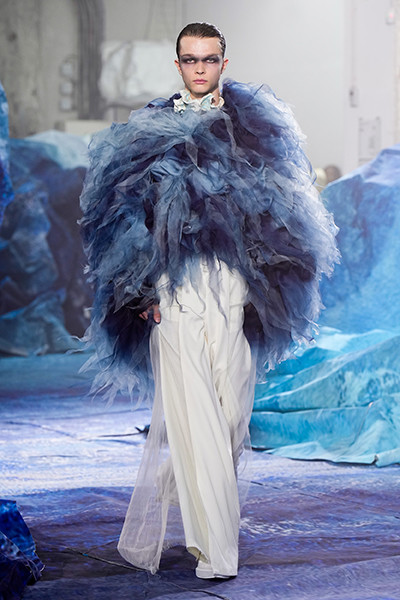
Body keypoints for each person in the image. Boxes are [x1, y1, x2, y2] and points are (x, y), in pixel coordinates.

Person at [80, 22, 339, 579]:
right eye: (191, 60)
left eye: (209, 59)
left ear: (224, 62)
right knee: (196, 414)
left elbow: (284, 208)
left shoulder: (253, 127)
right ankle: (215, 552)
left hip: (233, 283)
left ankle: (183, 479)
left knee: (232, 416)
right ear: (178, 65)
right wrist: (138, 288)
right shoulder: (149, 130)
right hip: (173, 287)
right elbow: (119, 214)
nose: (200, 68)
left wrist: (270, 282)